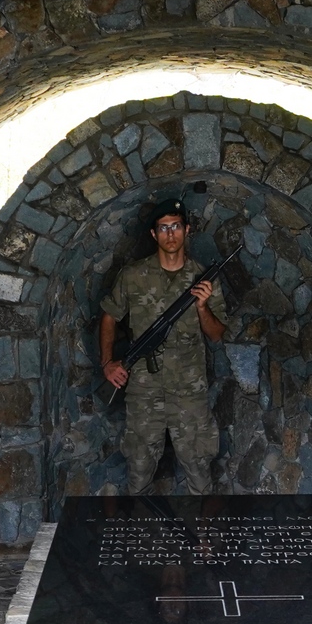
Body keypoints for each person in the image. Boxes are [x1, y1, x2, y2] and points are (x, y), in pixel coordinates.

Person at [100, 198, 228, 496]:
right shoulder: (133, 275)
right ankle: (139, 540)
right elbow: (109, 316)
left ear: (187, 230)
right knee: (139, 469)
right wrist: (109, 363)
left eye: (176, 226)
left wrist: (202, 306)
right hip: (144, 390)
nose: (171, 234)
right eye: (163, 228)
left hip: (189, 392)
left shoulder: (203, 279)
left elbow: (217, 334)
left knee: (198, 469)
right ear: (154, 234)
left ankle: (204, 540)